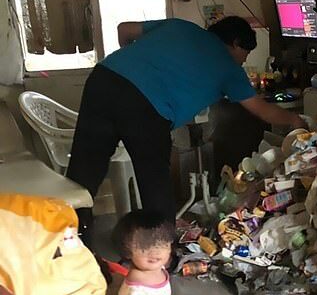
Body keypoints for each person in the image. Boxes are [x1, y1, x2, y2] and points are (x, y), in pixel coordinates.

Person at [67, 16, 304, 245]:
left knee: (84, 171)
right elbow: (262, 110)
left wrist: (136, 66)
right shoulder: (228, 68)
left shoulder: (180, 27)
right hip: (147, 108)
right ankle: (161, 253)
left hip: (104, 79)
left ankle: (69, 243)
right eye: (246, 53)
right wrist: (294, 119)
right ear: (236, 43)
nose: (244, 60)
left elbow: (125, 29)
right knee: (155, 183)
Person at [113, 210, 272, 295]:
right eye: (144, 248)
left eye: (161, 245)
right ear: (127, 251)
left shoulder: (156, 268)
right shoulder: (136, 291)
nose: (154, 253)